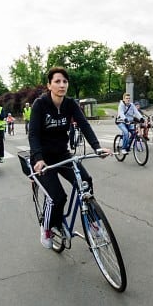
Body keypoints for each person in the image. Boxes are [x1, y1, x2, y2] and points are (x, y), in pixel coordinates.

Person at [29, 67, 108, 249]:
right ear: (49, 85)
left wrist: (97, 147)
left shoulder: (70, 104)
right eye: (57, 81)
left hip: (62, 155)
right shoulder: (40, 105)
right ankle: (47, 227)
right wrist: (38, 158)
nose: (62, 85)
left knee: (85, 181)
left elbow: (84, 125)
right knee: (58, 197)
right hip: (43, 158)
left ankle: (93, 224)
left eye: (65, 81)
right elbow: (33, 135)